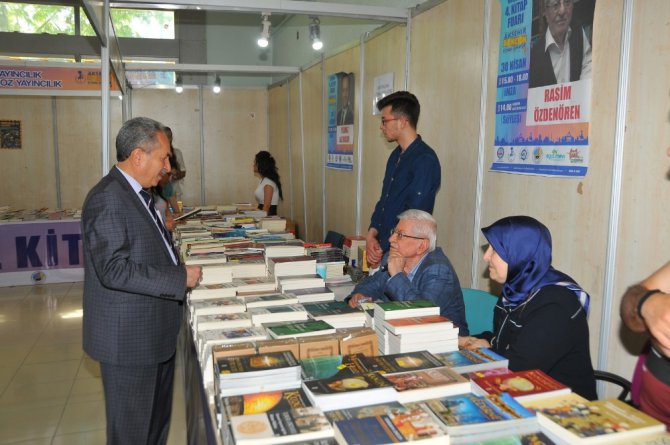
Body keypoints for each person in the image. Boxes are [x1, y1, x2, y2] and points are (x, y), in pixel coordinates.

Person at [81, 117, 202, 444]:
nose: (167, 166)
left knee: (155, 428)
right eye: (163, 157)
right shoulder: (107, 198)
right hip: (129, 343)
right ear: (138, 156)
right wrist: (179, 278)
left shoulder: (138, 194)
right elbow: (114, 270)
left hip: (155, 336)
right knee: (133, 433)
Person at [460, 215, 597, 400]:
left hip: (560, 407)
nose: (486, 257)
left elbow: (520, 367)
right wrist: (472, 340)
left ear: (519, 254)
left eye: (495, 250)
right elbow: (507, 341)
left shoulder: (556, 305)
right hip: (523, 393)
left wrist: (486, 349)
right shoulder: (516, 289)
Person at [346, 209, 469, 335]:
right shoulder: (393, 256)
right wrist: (360, 294)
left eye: (400, 235)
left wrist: (397, 276)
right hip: (399, 333)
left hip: (443, 343)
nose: (390, 239)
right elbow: (372, 283)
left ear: (422, 246)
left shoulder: (439, 271)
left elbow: (422, 314)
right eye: (394, 232)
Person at [366, 91, 441, 268]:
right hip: (385, 247)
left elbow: (414, 215)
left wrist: (383, 246)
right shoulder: (395, 156)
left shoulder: (424, 160)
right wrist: (372, 233)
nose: (381, 127)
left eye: (385, 121)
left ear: (402, 122)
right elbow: (384, 200)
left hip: (404, 254)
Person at [529, 0, 592, 88]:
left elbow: (588, 65)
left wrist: (580, 92)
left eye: (567, 2)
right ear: (546, 12)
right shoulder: (534, 56)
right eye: (555, 4)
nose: (562, 11)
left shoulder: (578, 33)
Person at [253, 150, 283, 216]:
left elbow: (266, 207)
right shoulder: (264, 180)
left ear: (261, 164)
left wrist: (259, 221)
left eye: (255, 163)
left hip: (268, 217)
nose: (253, 165)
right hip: (263, 215)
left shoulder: (268, 183)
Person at [164, 126, 186, 202]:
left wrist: (176, 174)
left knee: (177, 211)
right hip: (161, 195)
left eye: (169, 137)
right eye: (165, 137)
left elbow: (183, 172)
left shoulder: (177, 153)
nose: (168, 139)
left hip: (176, 192)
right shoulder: (156, 154)